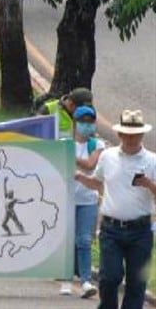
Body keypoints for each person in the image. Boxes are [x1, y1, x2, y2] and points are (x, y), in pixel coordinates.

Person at [75, 110, 156, 309]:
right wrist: (81, 178)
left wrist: (149, 184)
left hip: (140, 230)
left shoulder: (152, 160)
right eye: (127, 135)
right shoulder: (108, 156)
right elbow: (98, 183)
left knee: (136, 282)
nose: (131, 139)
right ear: (120, 135)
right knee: (109, 278)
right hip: (112, 229)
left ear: (142, 135)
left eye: (135, 135)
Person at [57, 105, 104, 298]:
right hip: (66, 199)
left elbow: (91, 165)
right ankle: (67, 280)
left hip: (88, 199)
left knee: (84, 240)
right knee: (67, 240)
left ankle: (85, 280)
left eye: (90, 122)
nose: (86, 125)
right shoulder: (63, 142)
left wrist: (69, 154)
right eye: (83, 121)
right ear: (75, 123)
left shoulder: (97, 145)